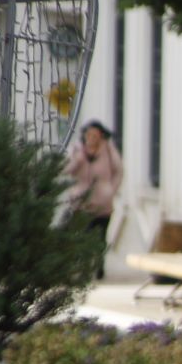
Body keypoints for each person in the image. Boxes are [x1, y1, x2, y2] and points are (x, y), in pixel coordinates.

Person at [65, 120, 123, 279]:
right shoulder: (78, 150)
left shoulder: (108, 150)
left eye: (95, 135)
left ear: (101, 136)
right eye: (88, 135)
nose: (91, 138)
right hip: (81, 203)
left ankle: (99, 266)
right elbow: (67, 169)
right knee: (82, 235)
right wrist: (77, 159)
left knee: (100, 236)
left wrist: (111, 190)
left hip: (103, 204)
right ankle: (82, 266)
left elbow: (119, 171)